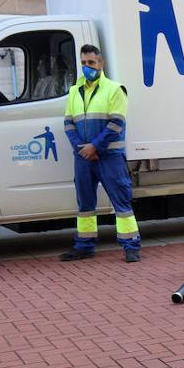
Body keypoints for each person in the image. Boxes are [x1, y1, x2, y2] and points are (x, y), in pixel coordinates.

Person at [60, 44, 141, 262]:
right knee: (85, 206)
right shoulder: (74, 91)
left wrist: (94, 147)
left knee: (121, 204)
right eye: (84, 63)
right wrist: (82, 149)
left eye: (91, 63)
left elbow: (116, 124)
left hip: (109, 158)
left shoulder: (115, 89)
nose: (87, 67)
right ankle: (84, 246)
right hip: (84, 158)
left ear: (101, 63)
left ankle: (131, 246)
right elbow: (68, 124)